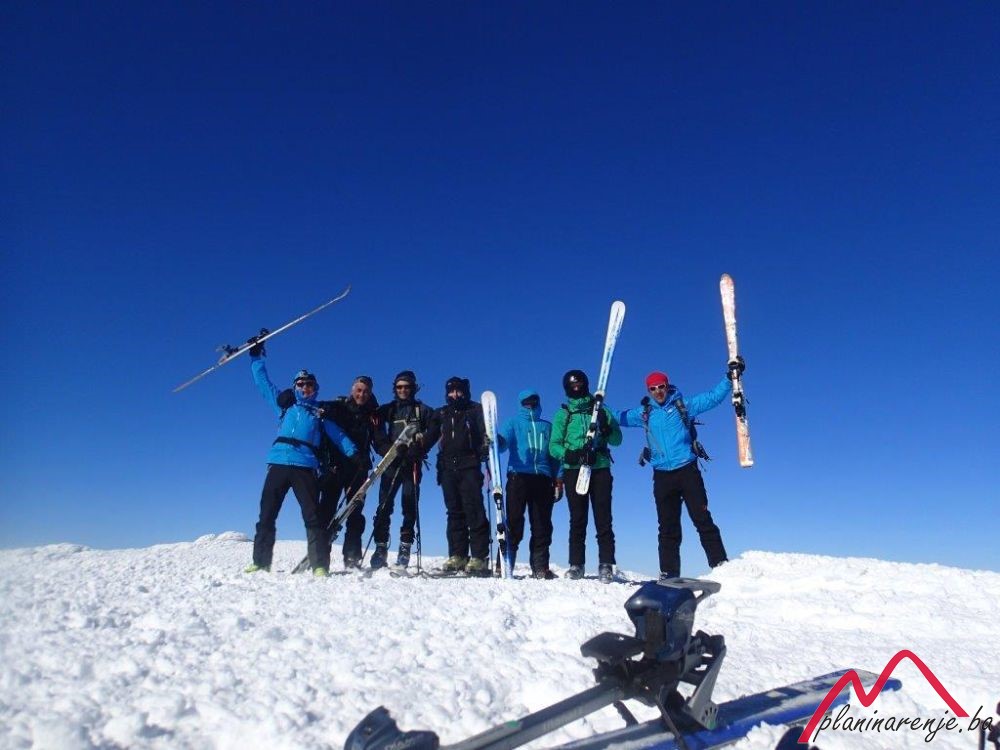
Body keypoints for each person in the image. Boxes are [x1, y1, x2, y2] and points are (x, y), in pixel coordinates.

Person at [616, 361, 741, 580]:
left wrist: (729, 378)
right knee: (667, 527)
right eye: (653, 388)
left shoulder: (684, 405)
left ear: (667, 386)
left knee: (702, 518)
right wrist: (596, 405)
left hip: (687, 471)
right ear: (648, 391)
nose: (658, 391)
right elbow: (619, 417)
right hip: (662, 476)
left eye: (661, 387)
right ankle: (669, 573)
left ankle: (720, 565)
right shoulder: (644, 413)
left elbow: (713, 397)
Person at [244, 344, 357, 577]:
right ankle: (261, 562)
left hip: (305, 466)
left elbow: (339, 436)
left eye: (309, 384)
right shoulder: (285, 406)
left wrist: (354, 453)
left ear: (315, 388)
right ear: (295, 386)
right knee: (267, 514)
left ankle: (319, 565)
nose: (305, 387)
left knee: (313, 517)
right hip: (278, 463)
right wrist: (256, 358)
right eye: (301, 384)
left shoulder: (319, 413)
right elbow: (263, 384)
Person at [549, 370, 623, 583]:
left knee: (603, 517)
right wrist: (571, 454)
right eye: (572, 385)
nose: (577, 388)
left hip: (600, 468)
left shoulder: (601, 410)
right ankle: (576, 564)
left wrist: (606, 428)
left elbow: (617, 440)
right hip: (575, 470)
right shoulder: (563, 413)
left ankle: (606, 564)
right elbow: (554, 446)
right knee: (578, 518)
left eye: (579, 384)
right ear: (567, 388)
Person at [370, 370, 436, 569]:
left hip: (412, 463)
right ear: (395, 388)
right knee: (384, 505)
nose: (403, 390)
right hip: (391, 462)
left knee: (409, 505)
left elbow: (435, 428)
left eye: (406, 386)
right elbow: (375, 424)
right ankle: (380, 547)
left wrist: (421, 447)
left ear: (413, 388)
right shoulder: (388, 409)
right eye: (399, 387)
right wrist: (384, 449)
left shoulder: (422, 410)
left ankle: (405, 547)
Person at [315, 375, 381, 569]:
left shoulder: (372, 414)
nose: (362, 394)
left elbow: (378, 439)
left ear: (370, 393)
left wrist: (389, 449)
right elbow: (313, 405)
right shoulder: (338, 406)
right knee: (326, 511)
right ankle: (321, 556)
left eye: (366, 391)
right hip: (335, 468)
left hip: (358, 469)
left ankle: (352, 555)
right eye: (359, 390)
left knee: (355, 513)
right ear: (352, 390)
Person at [497, 389, 563, 579]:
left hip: (543, 479)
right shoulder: (513, 423)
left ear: (538, 402)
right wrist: (494, 440)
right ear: (521, 404)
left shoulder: (547, 427)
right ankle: (505, 564)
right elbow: (502, 445)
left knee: (542, 525)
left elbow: (555, 456)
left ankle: (540, 567)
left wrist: (559, 480)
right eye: (526, 402)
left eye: (533, 401)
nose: (530, 404)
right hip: (518, 477)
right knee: (514, 522)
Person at [433, 377, 492, 575]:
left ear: (465, 392)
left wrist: (485, 445)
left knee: (474, 510)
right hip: (447, 468)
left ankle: (479, 557)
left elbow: (484, 431)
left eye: (459, 391)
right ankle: (458, 555)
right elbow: (430, 434)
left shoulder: (475, 410)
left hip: (469, 466)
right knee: (454, 512)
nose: (455, 395)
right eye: (451, 391)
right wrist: (417, 446)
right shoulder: (442, 413)